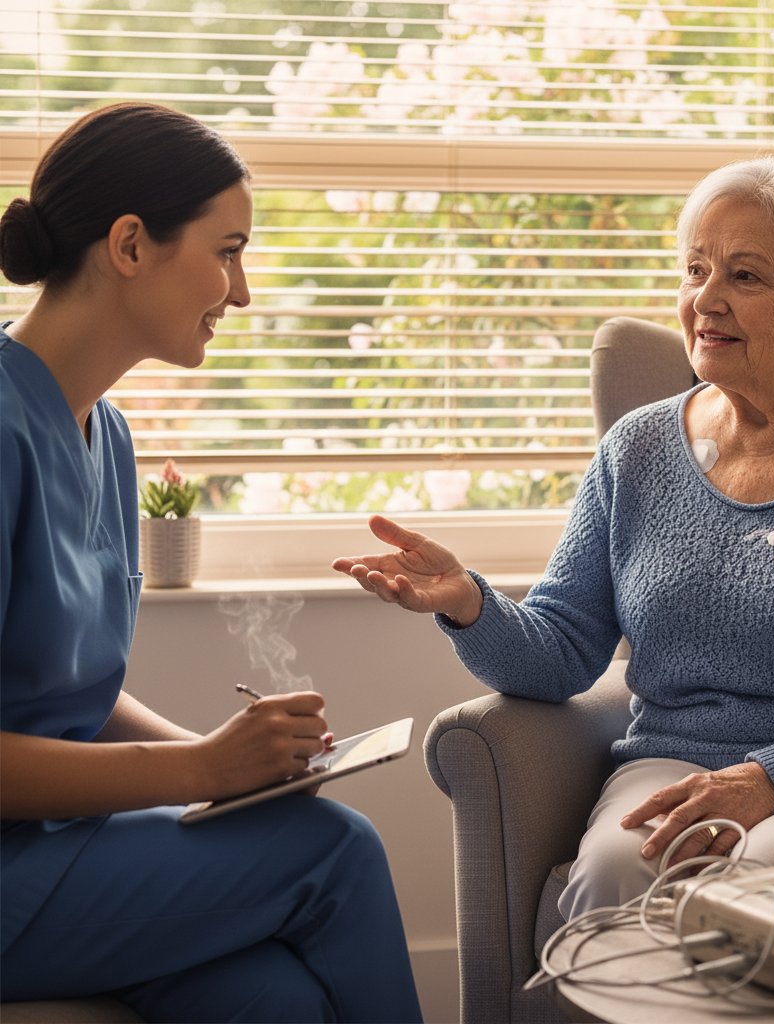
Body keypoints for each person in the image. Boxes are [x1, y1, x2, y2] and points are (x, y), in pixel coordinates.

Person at [331, 156, 774, 923]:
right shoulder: (637, 448)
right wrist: (469, 605)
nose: (704, 301)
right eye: (694, 269)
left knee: (758, 882)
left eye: (745, 277)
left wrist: (769, 779)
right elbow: (562, 651)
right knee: (617, 873)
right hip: (678, 763)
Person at [0, 102, 422, 1023]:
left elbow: (62, 689)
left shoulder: (104, 436)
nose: (242, 292)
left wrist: (219, 757)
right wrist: (197, 776)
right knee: (332, 849)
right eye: (227, 251)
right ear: (129, 245)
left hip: (65, 844)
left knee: (273, 1001)